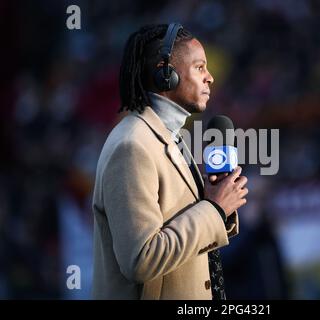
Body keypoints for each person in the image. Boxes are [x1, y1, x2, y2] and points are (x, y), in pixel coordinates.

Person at [91, 23, 248, 299]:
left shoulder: (167, 136)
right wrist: (213, 209)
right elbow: (141, 259)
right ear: (167, 73)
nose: (210, 77)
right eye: (200, 67)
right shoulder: (132, 146)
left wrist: (217, 204)